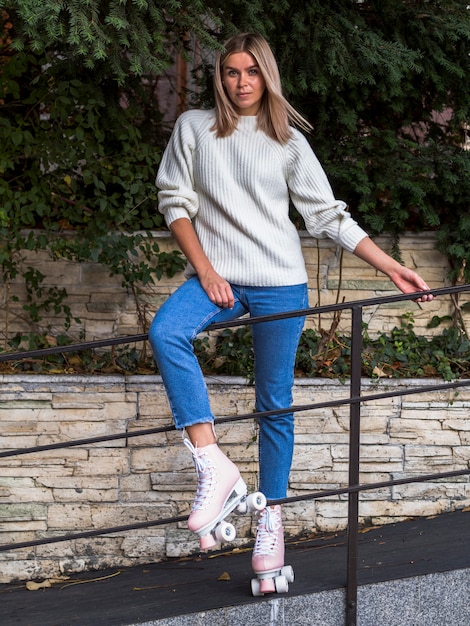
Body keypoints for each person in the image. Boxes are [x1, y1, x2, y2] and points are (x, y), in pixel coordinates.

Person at [149, 32, 433, 593]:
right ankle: (213, 464)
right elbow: (174, 201)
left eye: (252, 71)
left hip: (281, 285)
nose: (241, 82)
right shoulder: (193, 128)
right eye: (231, 72)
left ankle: (271, 522)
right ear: (220, 78)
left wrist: (391, 267)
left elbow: (327, 216)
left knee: (274, 403)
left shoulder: (288, 142)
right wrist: (205, 269)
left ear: (267, 76)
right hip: (219, 280)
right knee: (167, 331)